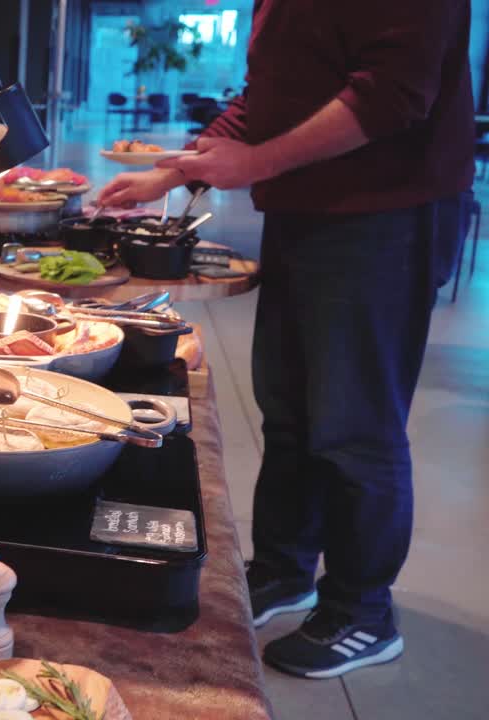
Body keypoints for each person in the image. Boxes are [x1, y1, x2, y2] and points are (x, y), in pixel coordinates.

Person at [98, 1, 474, 679]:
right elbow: (272, 94)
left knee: (354, 428)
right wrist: (176, 171)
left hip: (382, 217)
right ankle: (284, 568)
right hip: (306, 208)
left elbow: (390, 95)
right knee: (290, 411)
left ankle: (364, 610)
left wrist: (255, 163)